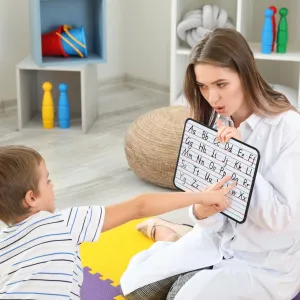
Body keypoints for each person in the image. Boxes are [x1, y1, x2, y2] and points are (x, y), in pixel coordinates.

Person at [119, 28, 300, 300]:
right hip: (215, 241)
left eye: (221, 84)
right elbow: (207, 206)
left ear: (245, 74)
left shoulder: (288, 129)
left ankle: (183, 255)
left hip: (264, 260)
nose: (212, 98)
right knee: (133, 286)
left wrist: (242, 159)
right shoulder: (215, 121)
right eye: (203, 87)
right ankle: (171, 238)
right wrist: (201, 212)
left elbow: (284, 221)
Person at [0, 145, 234, 299]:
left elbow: (141, 206)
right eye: (47, 181)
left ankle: (168, 238)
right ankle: (169, 237)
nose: (52, 186)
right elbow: (139, 206)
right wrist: (203, 196)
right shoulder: (62, 223)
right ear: (31, 198)